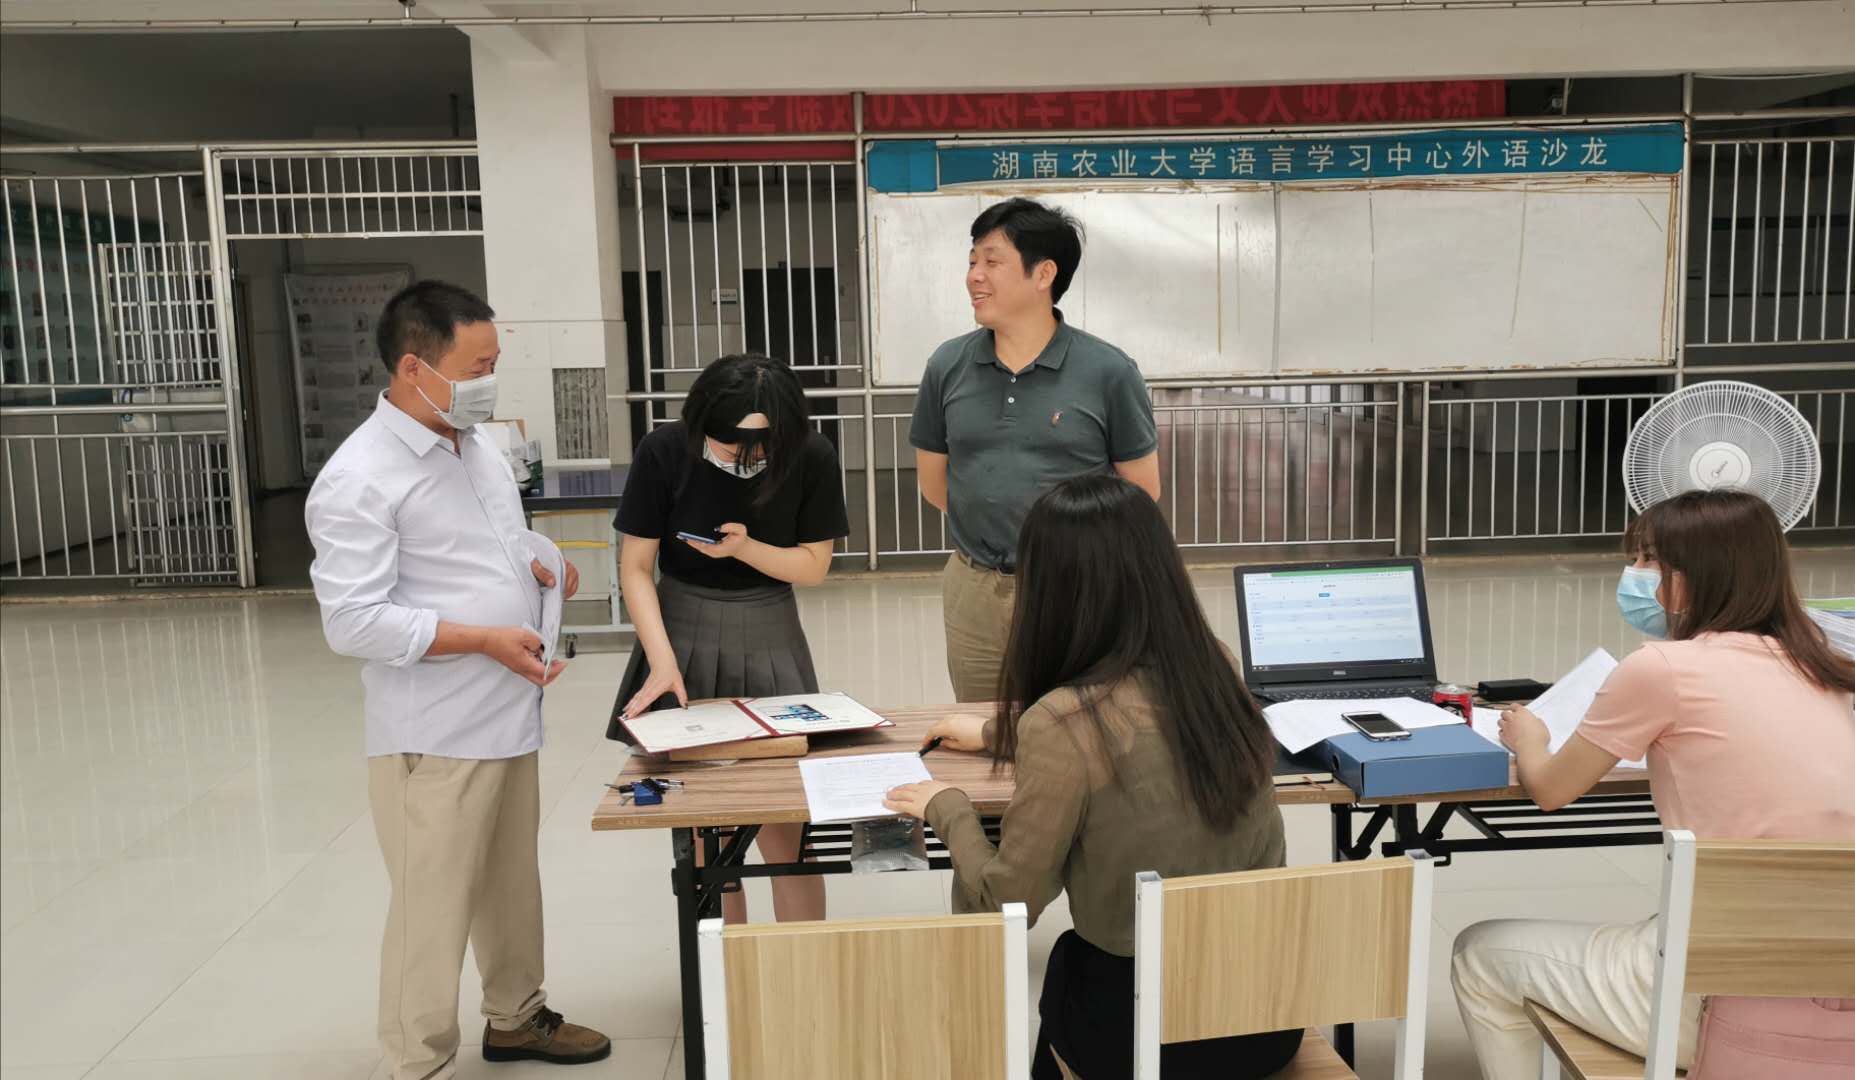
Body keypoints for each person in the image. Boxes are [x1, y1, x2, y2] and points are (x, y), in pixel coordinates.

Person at [883, 474, 1303, 1079]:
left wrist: (947, 808)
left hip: (1145, 1041)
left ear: (1051, 589)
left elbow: (1009, 901)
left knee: (1068, 964)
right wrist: (1004, 732)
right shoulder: (1214, 666)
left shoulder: (1061, 722)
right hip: (1263, 1020)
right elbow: (1138, 726)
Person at [305, 281, 611, 1078]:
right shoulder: (359, 478)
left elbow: (493, 545)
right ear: (414, 367)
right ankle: (416, 1060)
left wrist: (545, 564)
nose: (490, 382)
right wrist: (480, 638)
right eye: (477, 367)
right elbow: (354, 622)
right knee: (430, 909)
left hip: (507, 713)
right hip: (434, 732)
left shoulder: (473, 445)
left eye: (494, 363)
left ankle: (516, 1015)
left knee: (510, 885)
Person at [1452, 489, 1855, 1080]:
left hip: (1724, 993)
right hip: (1832, 975)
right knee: (1648, 926)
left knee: (1479, 952)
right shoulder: (1824, 665)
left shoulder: (1662, 669)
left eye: (1648, 559)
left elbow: (1553, 790)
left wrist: (1529, 738)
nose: (1635, 572)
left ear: (1694, 575)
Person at [609, 353, 849, 923]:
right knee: (702, 831)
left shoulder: (810, 454)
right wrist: (662, 661)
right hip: (680, 626)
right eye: (725, 445)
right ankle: (722, 966)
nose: (741, 459)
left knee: (787, 827)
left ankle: (800, 964)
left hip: (770, 626)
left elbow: (813, 566)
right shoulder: (665, 450)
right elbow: (636, 567)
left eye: (757, 451)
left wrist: (744, 549)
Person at [911, 197, 1162, 703]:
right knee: (982, 725)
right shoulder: (947, 366)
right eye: (972, 261)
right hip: (975, 591)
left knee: (1079, 723)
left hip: (1077, 589)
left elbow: (1141, 493)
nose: (974, 276)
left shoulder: (1108, 371)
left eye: (992, 261)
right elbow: (936, 485)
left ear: (1044, 274)